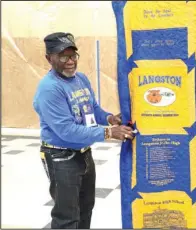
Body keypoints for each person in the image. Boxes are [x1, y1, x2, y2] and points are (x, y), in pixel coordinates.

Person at [33, 32, 134, 229]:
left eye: (72, 56)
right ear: (49, 58)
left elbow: (91, 109)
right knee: (67, 216)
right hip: (60, 157)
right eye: (63, 56)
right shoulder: (50, 89)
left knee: (86, 208)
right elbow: (67, 131)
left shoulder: (80, 79)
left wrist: (110, 118)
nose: (70, 61)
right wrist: (108, 132)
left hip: (84, 154)